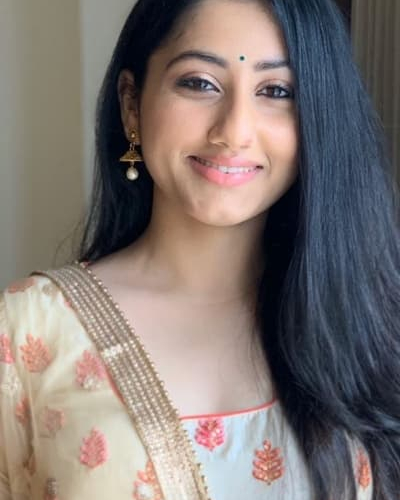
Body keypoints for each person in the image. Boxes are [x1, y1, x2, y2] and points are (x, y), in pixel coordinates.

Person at [1, 0, 399, 498]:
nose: (234, 131)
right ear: (132, 104)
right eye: (200, 83)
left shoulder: (371, 323)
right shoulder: (28, 331)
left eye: (276, 91)